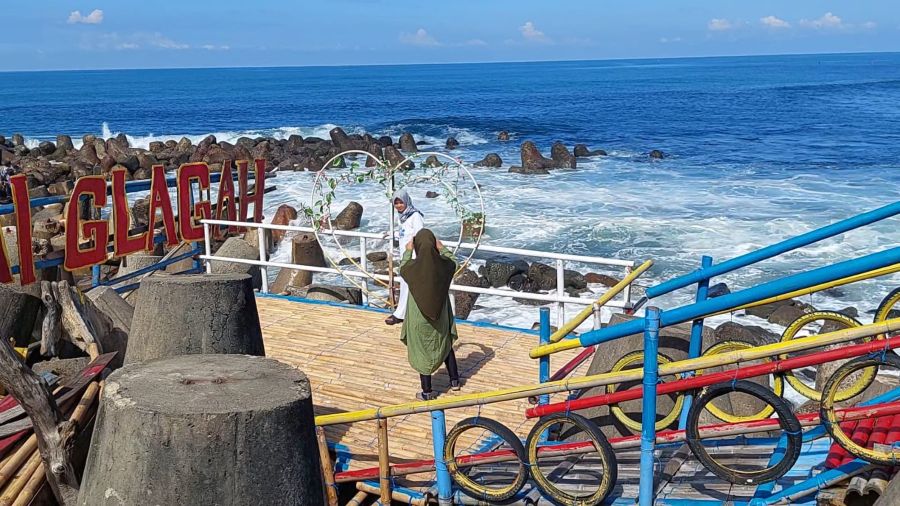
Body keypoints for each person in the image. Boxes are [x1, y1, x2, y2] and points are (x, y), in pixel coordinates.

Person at [399, 229, 460, 400]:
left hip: (418, 317)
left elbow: (402, 267)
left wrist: (408, 250)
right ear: (433, 244)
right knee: (445, 343)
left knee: (421, 350)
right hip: (441, 313)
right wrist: (442, 248)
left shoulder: (412, 269)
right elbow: (454, 262)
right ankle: (454, 381)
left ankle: (427, 391)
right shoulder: (444, 266)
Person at [384, 188, 425, 325]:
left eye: (401, 202)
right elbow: (404, 233)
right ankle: (405, 313)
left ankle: (400, 314)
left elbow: (420, 235)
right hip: (404, 257)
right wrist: (392, 234)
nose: (398, 206)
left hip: (413, 257)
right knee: (405, 284)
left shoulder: (415, 216)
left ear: (406, 201)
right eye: (396, 203)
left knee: (408, 284)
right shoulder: (402, 217)